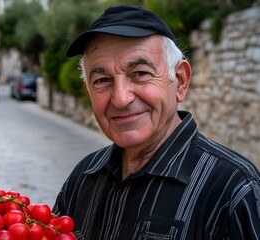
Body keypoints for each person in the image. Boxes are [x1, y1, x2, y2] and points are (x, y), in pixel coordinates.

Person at [52, 4, 260, 240]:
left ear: (180, 81)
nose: (120, 99)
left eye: (140, 73)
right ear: (89, 93)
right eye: (102, 80)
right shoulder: (82, 178)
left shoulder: (234, 191)